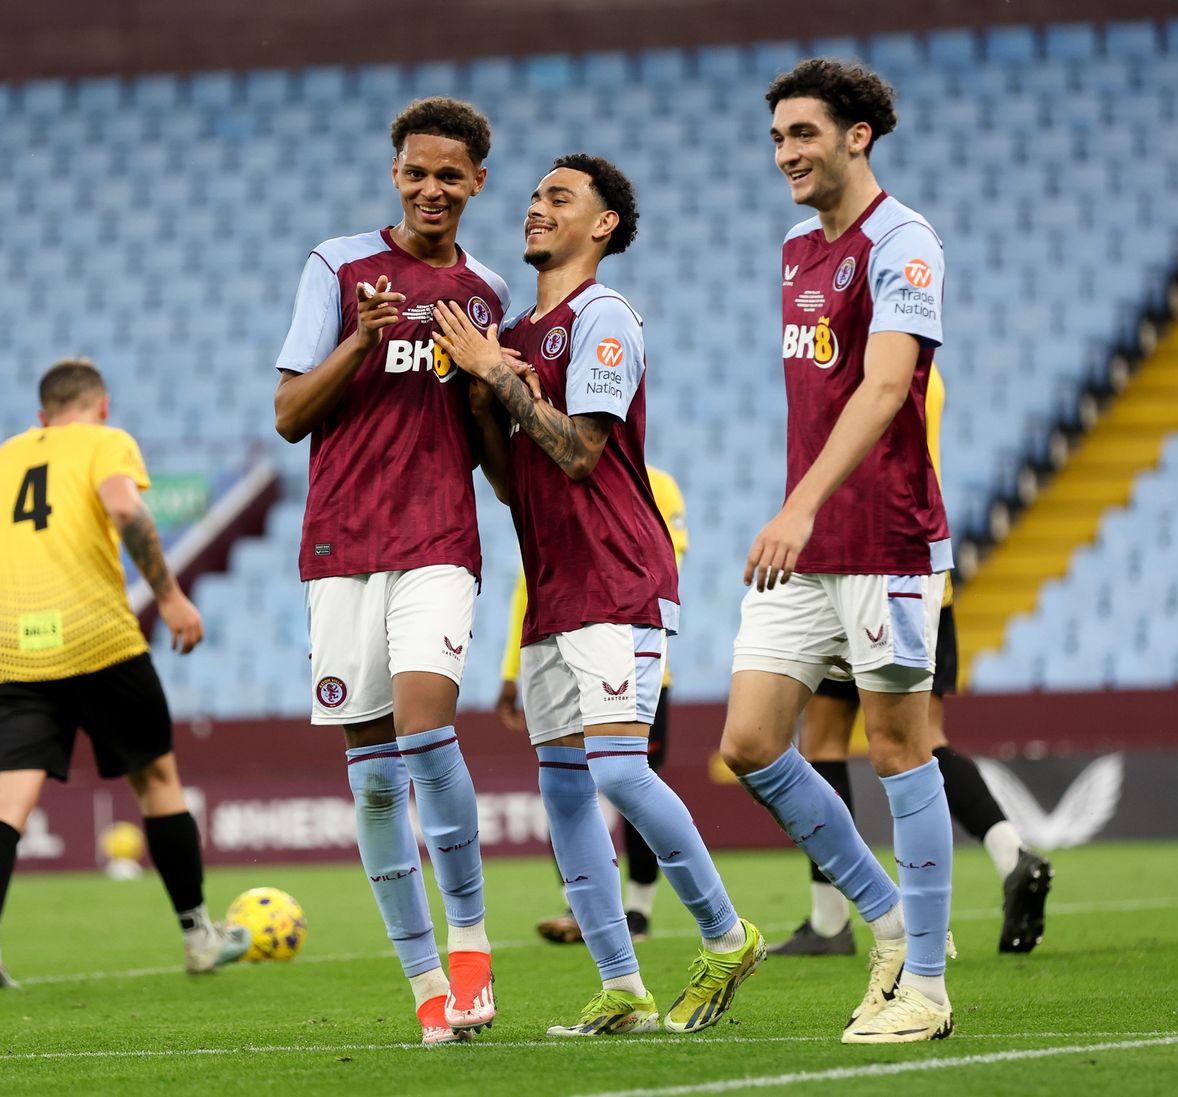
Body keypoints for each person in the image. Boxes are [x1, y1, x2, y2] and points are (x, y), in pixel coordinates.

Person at [435, 154, 763, 1038]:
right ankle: (622, 985)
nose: (536, 208)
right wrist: (479, 396)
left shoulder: (603, 316)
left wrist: (494, 375)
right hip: (552, 586)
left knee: (619, 770)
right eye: (536, 195)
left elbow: (579, 452)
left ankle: (727, 935)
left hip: (619, 575)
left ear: (604, 224)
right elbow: (511, 481)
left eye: (559, 197)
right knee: (567, 793)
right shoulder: (512, 328)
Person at [717, 59, 956, 1044]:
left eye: (804, 134)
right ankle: (889, 915)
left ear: (859, 135)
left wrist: (800, 504)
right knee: (749, 740)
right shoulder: (793, 248)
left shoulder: (904, 243)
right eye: (778, 138)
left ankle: (929, 987)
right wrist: (802, 511)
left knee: (899, 744)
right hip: (812, 543)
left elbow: (888, 386)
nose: (787, 155)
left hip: (884, 537)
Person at [272, 97, 511, 1045]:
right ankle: (424, 987)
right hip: (339, 545)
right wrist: (363, 339)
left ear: (477, 183)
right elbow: (290, 414)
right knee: (372, 781)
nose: (431, 189)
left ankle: (470, 942)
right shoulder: (337, 268)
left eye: (450, 175)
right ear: (395, 173)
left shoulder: (486, 294)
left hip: (438, 540)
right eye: (416, 172)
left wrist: (489, 377)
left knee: (425, 733)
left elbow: (490, 452)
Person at [0, 357, 247, 988]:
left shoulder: (0, 461)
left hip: (16, 651)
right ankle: (198, 936)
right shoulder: (106, 442)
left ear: (41, 416)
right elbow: (124, 509)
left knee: (5, 804)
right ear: (102, 407)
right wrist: (171, 596)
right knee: (157, 782)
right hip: (100, 641)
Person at [771, 364, 1053, 958]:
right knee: (924, 739)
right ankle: (1010, 852)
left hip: (858, 568)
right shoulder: (926, 367)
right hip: (926, 580)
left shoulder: (868, 366)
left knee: (822, 739)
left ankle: (829, 921)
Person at [500, 464, 686, 946]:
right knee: (563, 783)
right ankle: (581, 903)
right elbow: (528, 584)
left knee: (631, 785)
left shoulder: (656, 484)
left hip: (626, 652)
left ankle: (639, 910)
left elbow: (667, 559)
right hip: (557, 653)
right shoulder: (545, 483)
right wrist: (509, 671)